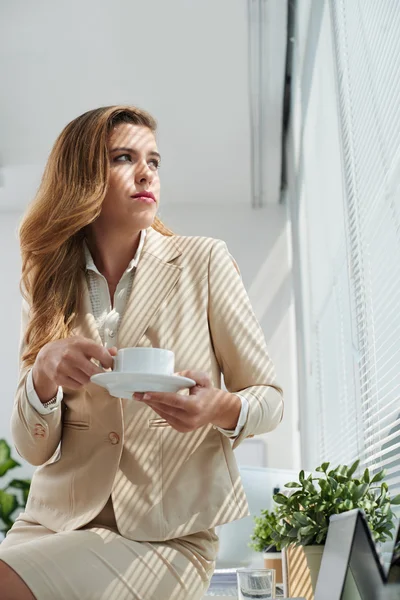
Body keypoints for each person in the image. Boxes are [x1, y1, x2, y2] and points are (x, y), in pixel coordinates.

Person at [0, 105, 284, 600]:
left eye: (153, 160)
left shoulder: (204, 262)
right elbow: (32, 448)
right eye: (123, 158)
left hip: (166, 537)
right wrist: (43, 375)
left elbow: (270, 398)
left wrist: (218, 407)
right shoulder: (49, 283)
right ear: (82, 176)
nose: (146, 171)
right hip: (53, 522)